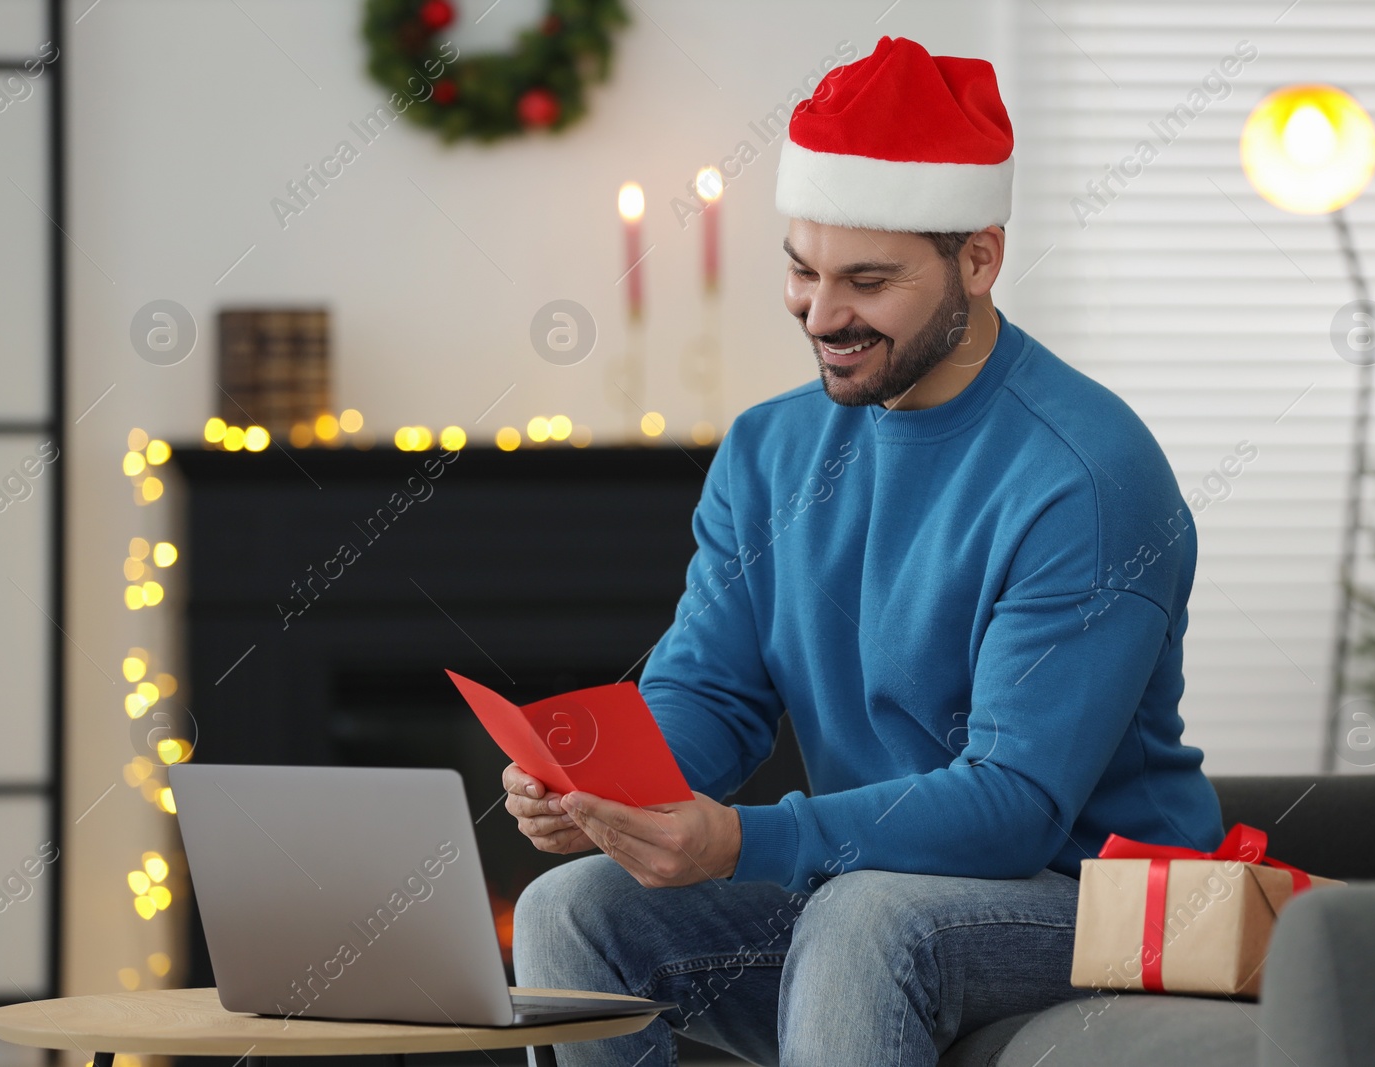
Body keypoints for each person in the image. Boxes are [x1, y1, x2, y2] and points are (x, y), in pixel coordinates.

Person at [507, 35, 1224, 1067]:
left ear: (978, 257)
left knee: (862, 915)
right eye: (801, 269)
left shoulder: (1085, 478)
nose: (822, 312)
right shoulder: (770, 448)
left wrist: (740, 839)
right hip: (877, 878)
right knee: (573, 909)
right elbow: (710, 689)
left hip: (1097, 898)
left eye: (868, 281)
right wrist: (608, 788)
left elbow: (1016, 806)